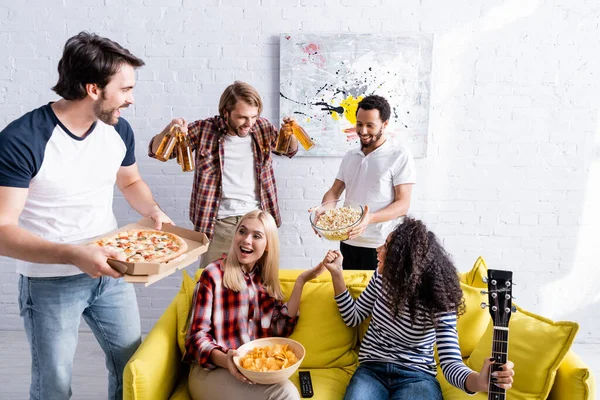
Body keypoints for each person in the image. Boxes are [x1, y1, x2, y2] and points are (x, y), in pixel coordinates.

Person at [0, 32, 173, 400]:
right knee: (54, 386)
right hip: (49, 283)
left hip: (112, 272)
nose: (131, 98)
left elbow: (131, 181)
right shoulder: (22, 139)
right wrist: (75, 253)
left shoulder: (117, 128)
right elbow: (2, 231)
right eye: (125, 89)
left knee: (130, 368)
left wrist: (152, 209)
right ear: (93, 88)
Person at [321, 217, 515, 399]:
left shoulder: (440, 301)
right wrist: (337, 273)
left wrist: (479, 382)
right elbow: (353, 317)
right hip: (372, 370)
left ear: (404, 262)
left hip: (417, 376)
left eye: (387, 247)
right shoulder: (381, 277)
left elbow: (450, 363)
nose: (378, 250)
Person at [148, 81, 299, 268]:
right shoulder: (204, 130)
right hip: (219, 224)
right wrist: (170, 130)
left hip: (258, 220)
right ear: (225, 112)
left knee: (259, 287)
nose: (249, 124)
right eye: (242, 117)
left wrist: (290, 133)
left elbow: (289, 151)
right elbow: (157, 153)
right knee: (212, 282)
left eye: (254, 116)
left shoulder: (262, 128)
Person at [183, 210, 325, 400]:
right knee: (285, 393)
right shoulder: (213, 275)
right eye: (242, 232)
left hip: (251, 372)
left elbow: (280, 328)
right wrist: (227, 360)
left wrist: (301, 282)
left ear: (267, 245)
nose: (246, 240)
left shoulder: (264, 281)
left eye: (256, 236)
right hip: (210, 371)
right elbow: (195, 338)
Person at [315, 94, 416, 270]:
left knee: (378, 296)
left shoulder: (400, 156)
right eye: (359, 124)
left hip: (381, 245)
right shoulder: (350, 156)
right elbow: (335, 191)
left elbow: (403, 204)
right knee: (348, 293)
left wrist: (368, 218)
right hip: (348, 241)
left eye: (370, 125)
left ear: (384, 124)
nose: (362, 131)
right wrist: (325, 209)